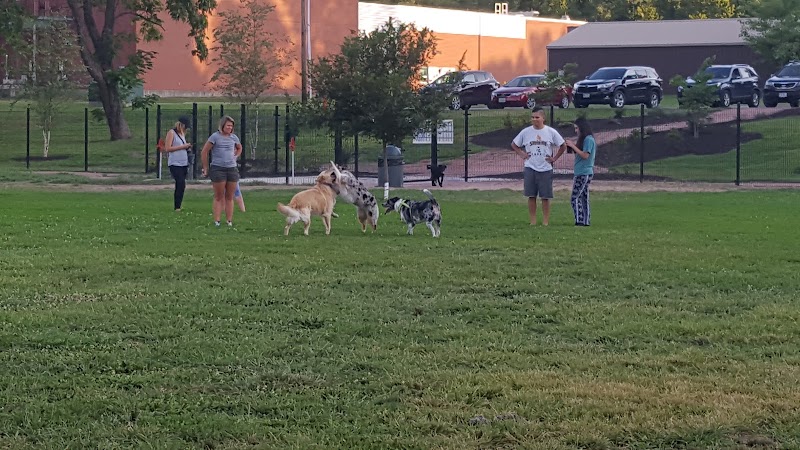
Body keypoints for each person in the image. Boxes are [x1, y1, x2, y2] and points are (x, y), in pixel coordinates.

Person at [511, 107, 567, 226]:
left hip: (545, 168)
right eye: (532, 117)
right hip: (530, 167)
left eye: (537, 117)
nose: (534, 120)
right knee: (531, 195)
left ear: (543, 118)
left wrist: (554, 158)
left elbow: (562, 145)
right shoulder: (526, 132)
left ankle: (545, 221)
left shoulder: (550, 132)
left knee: (545, 196)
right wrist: (522, 154)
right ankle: (533, 221)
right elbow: (514, 144)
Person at [201, 115, 242, 227]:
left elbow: (239, 147)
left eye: (231, 126)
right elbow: (204, 152)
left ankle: (229, 221)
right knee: (219, 196)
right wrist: (205, 167)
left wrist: (236, 155)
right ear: (222, 125)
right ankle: (217, 221)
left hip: (231, 168)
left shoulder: (234, 137)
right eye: (228, 125)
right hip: (218, 168)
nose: (229, 127)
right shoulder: (215, 137)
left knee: (230, 196)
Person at [565, 117, 596, 226]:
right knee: (583, 197)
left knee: (575, 197)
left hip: (583, 173)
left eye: (577, 128)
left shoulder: (588, 139)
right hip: (582, 172)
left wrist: (573, 145)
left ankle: (579, 220)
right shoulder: (585, 140)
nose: (576, 130)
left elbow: (585, 155)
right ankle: (585, 221)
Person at [163, 115, 192, 212]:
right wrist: (183, 146)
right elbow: (168, 148)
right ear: (181, 124)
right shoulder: (172, 133)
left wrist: (187, 147)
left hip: (183, 162)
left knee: (182, 185)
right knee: (180, 182)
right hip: (175, 163)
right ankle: (177, 207)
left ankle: (179, 205)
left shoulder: (182, 134)